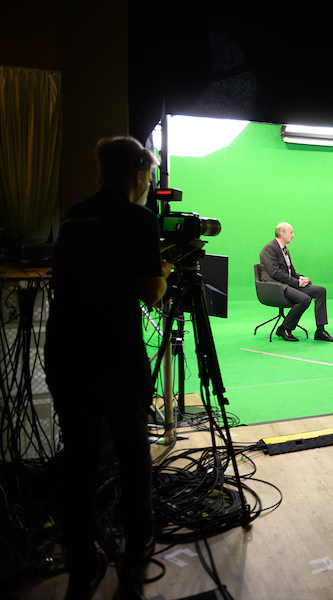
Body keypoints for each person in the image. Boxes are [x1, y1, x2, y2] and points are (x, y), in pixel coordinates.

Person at [44, 136, 174, 600]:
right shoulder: (139, 218)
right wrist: (164, 269)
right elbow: (151, 292)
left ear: (102, 170)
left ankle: (81, 561)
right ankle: (140, 541)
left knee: (79, 457)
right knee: (133, 450)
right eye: (148, 177)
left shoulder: (74, 215)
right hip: (114, 354)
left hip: (65, 351)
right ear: (138, 176)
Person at [259, 222, 333, 342]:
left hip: (287, 284)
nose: (293, 235)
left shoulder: (284, 249)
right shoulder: (269, 248)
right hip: (276, 287)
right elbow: (275, 273)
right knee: (304, 299)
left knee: (320, 291)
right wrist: (297, 283)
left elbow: (290, 272)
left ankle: (320, 331)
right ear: (282, 234)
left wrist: (300, 278)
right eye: (291, 232)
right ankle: (284, 328)